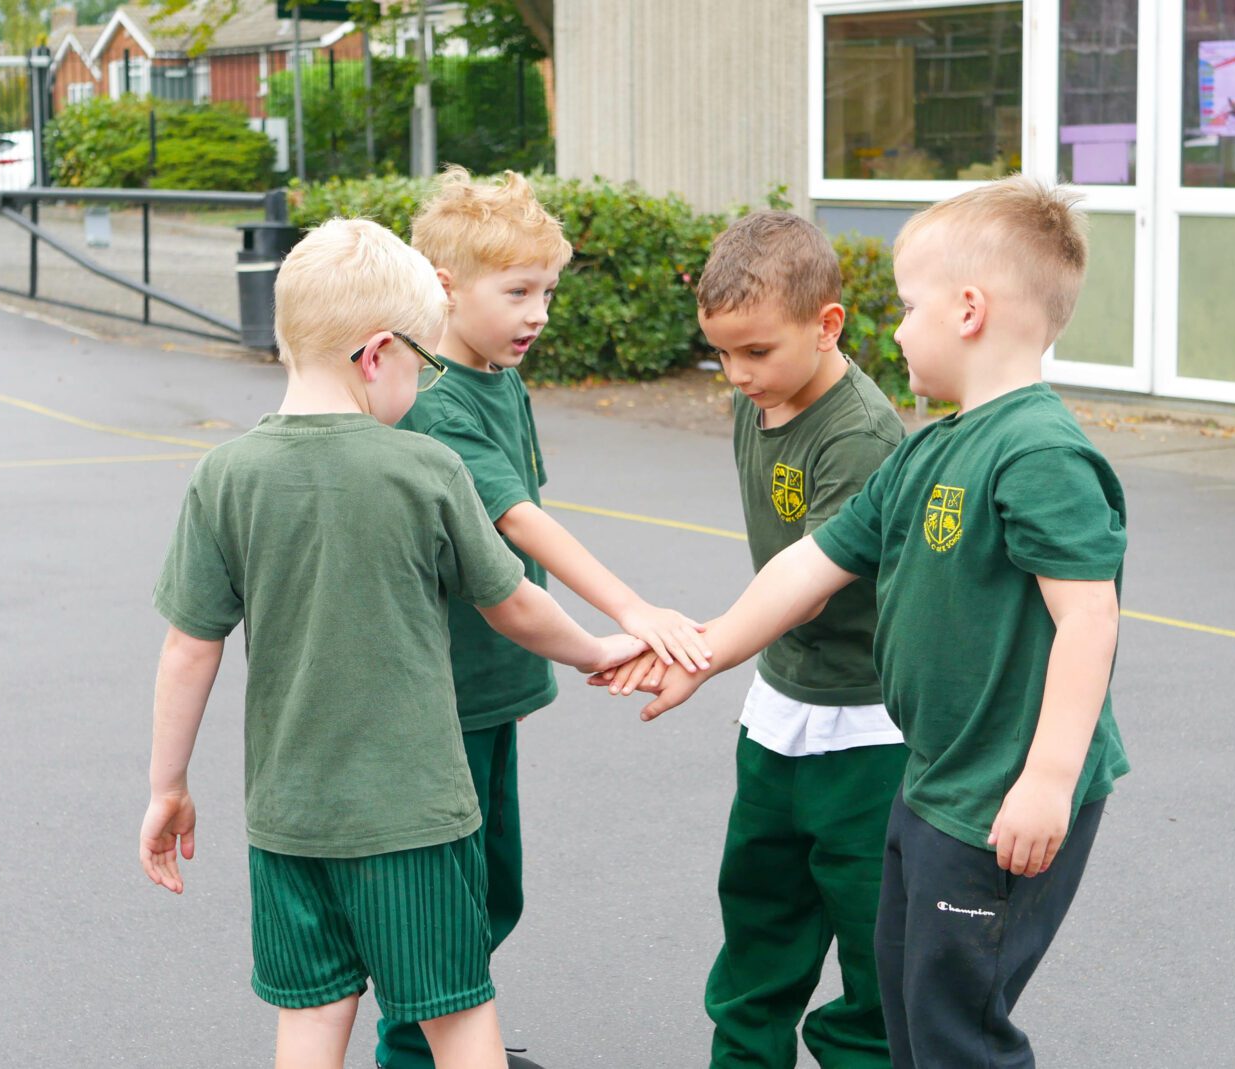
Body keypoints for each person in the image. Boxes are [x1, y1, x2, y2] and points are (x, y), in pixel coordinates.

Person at [605, 176, 1130, 1069]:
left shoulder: (1040, 451)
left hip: (1001, 797)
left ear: (969, 310)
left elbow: (1087, 619)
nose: (896, 327)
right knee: (905, 999)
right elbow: (811, 565)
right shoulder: (932, 447)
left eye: (908, 305)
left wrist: (1047, 781)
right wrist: (709, 650)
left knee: (957, 1026)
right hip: (933, 781)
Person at [139, 217, 645, 1069]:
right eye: (422, 361)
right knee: (457, 1016)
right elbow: (513, 602)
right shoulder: (422, 468)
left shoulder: (224, 476)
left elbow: (190, 646)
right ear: (377, 355)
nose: (426, 379)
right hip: (414, 815)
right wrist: (598, 649)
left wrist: (168, 785)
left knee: (310, 1018)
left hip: (290, 821)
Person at [384, 167, 710, 1069]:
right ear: (444, 285)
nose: (538, 313)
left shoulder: (498, 380)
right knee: (448, 898)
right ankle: (417, 1050)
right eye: (517, 291)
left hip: (491, 685)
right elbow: (519, 520)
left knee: (491, 889)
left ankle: (453, 1038)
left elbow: (525, 506)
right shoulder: (437, 398)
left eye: (547, 292)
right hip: (444, 693)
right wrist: (630, 608)